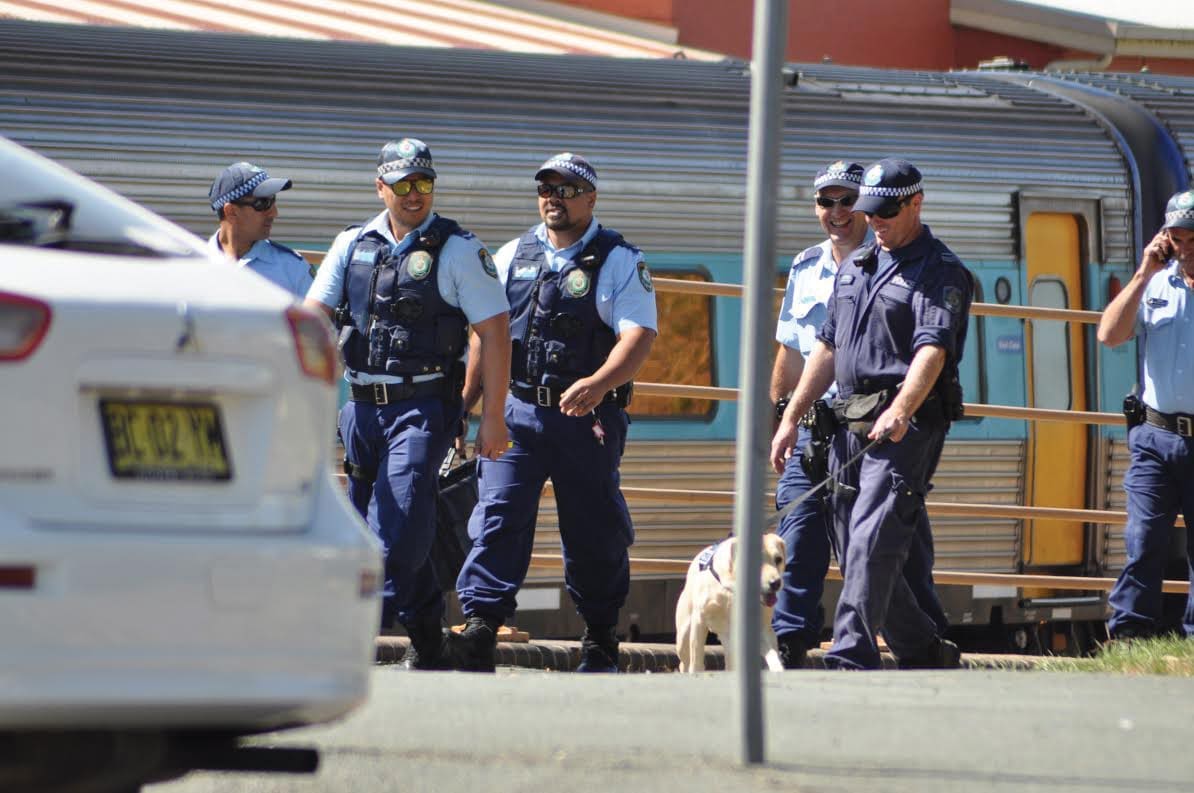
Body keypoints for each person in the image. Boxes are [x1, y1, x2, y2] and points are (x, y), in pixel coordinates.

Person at [304, 137, 511, 670]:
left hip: (422, 409)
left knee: (394, 533)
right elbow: (312, 319)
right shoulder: (352, 243)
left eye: (423, 183)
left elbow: (495, 332)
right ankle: (429, 639)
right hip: (361, 409)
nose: (414, 194)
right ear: (381, 187)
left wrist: (491, 418)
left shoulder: (460, 249)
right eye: (402, 185)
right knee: (368, 521)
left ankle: (350, 633)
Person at [454, 153, 658, 673]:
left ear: (590, 199)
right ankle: (481, 626)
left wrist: (598, 382)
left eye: (567, 190)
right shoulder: (510, 255)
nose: (554, 198)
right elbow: (488, 334)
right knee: (498, 515)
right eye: (546, 188)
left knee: (592, 528)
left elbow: (638, 336)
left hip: (586, 420)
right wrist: (467, 406)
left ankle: (599, 634)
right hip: (517, 412)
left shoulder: (617, 260)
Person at [770, 158, 971, 670]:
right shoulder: (855, 267)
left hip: (903, 425)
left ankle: (850, 655)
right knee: (852, 542)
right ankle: (923, 650)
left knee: (871, 536)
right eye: (870, 212)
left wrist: (902, 408)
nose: (874, 221)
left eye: (886, 211)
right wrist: (792, 416)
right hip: (846, 421)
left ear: (915, 203)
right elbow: (826, 348)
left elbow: (933, 350)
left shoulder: (940, 271)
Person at [1097, 189, 1194, 641]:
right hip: (1155, 437)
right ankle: (1130, 635)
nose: (1186, 246)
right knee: (1142, 541)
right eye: (1177, 237)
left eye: (1193, 236)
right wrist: (1142, 273)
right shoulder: (1155, 283)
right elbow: (1109, 335)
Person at [207, 161, 314, 297]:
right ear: (231, 211)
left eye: (273, 200)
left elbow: (317, 318)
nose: (274, 213)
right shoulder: (190, 266)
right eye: (262, 203)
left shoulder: (294, 270)